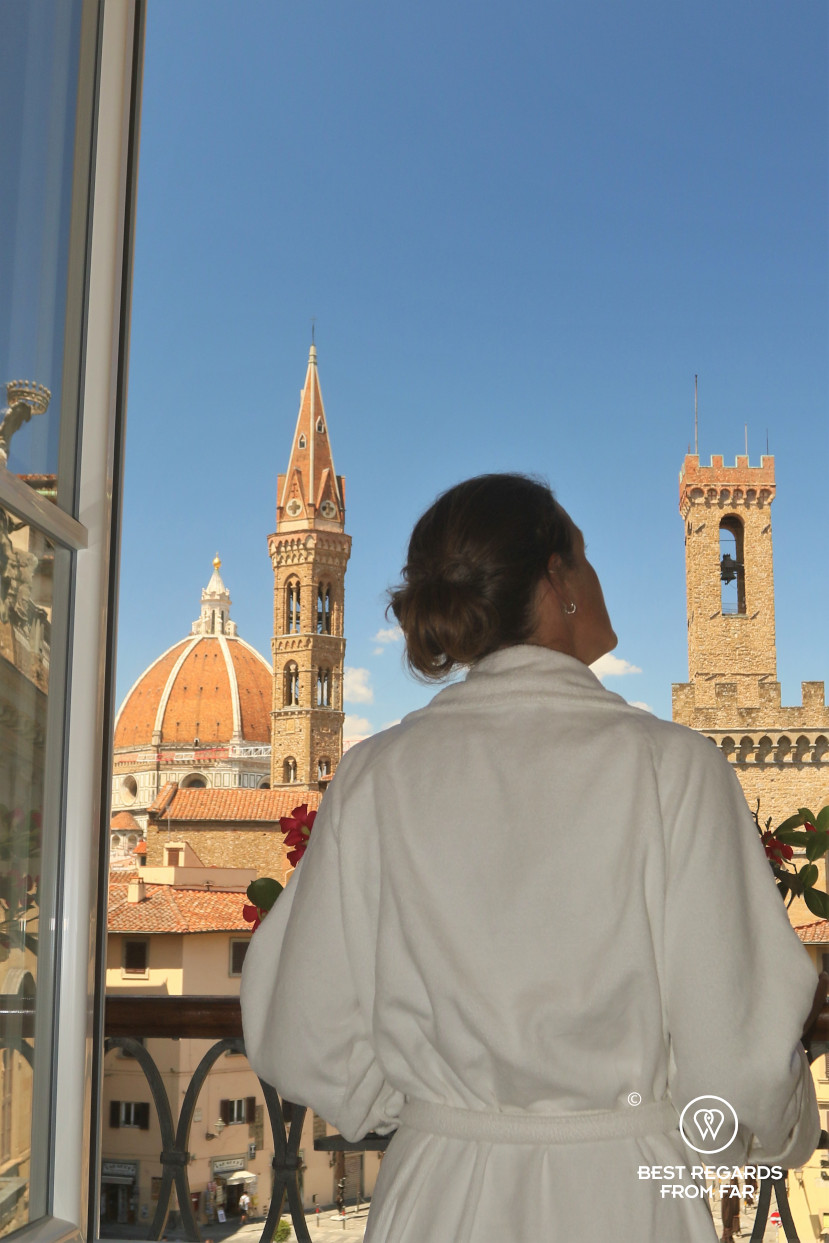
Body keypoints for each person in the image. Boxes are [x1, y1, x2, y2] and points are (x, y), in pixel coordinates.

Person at [241, 473, 820, 1242]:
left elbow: (301, 1032)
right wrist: (778, 1136)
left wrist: (432, 1110)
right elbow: (737, 1068)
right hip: (624, 1200)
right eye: (583, 555)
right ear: (557, 580)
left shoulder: (377, 774)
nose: (595, 575)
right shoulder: (671, 767)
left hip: (434, 1198)